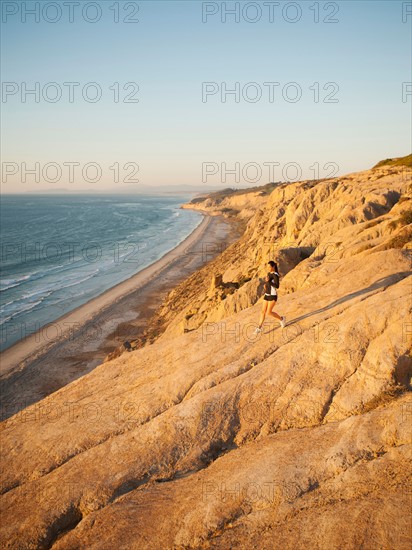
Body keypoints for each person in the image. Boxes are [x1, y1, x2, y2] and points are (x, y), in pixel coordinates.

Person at [254, 260, 286, 334]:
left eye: (269, 267)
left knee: (269, 312)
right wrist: (266, 285)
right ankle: (259, 327)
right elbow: (268, 282)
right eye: (267, 267)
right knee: (263, 312)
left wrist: (268, 282)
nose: (268, 268)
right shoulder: (269, 273)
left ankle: (282, 319)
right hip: (267, 295)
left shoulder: (275, 275)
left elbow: (277, 286)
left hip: (273, 295)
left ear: (273, 266)